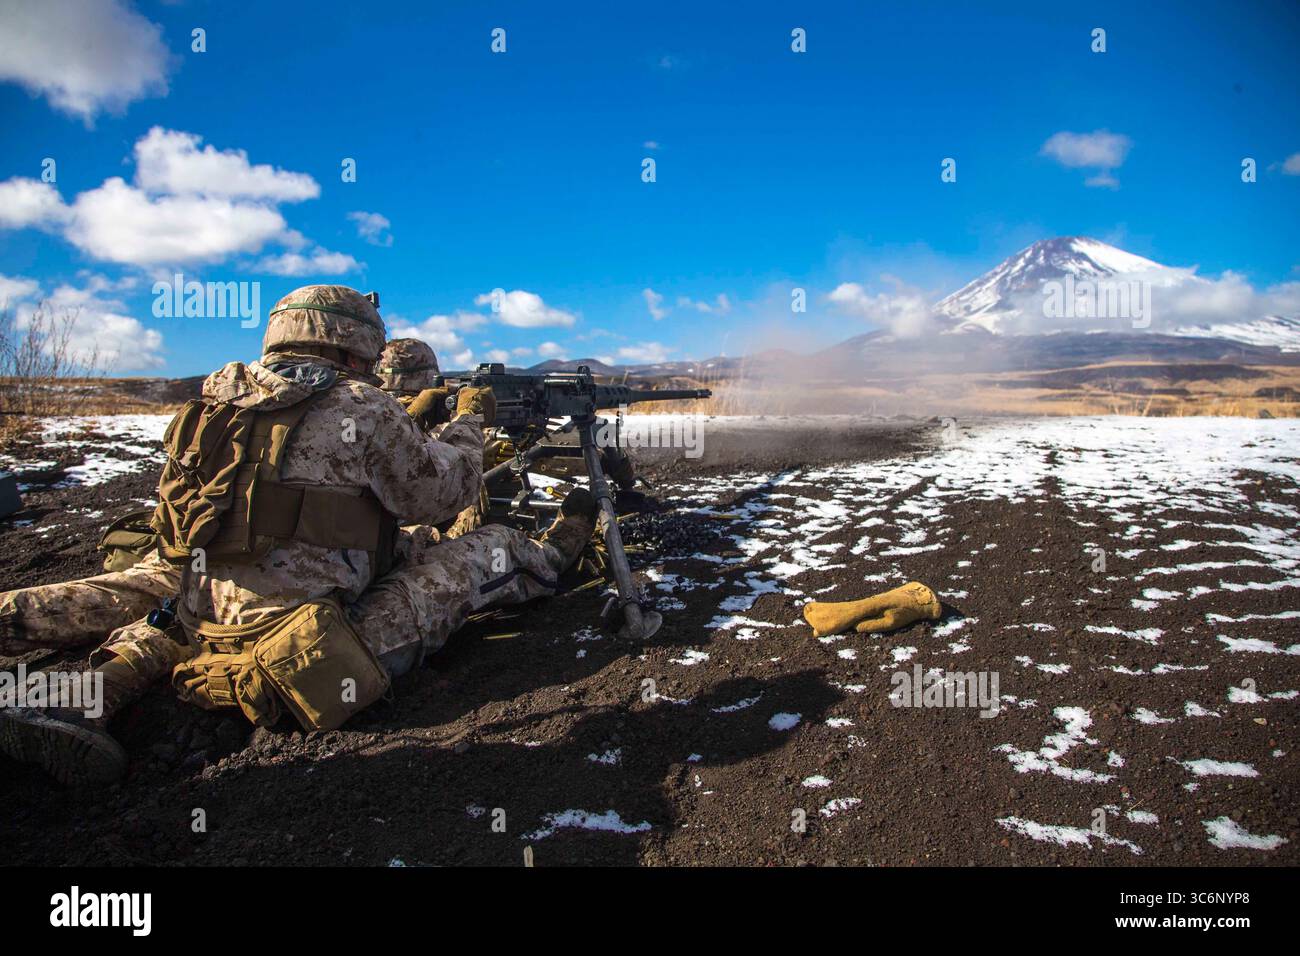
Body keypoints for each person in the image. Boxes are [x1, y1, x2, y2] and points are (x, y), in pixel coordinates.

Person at [0, 284, 595, 786]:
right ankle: (557, 550)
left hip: (201, 604)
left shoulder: (211, 400)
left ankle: (83, 683)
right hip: (309, 640)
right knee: (479, 552)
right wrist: (468, 422)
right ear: (356, 343)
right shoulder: (360, 406)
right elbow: (442, 494)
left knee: (173, 605)